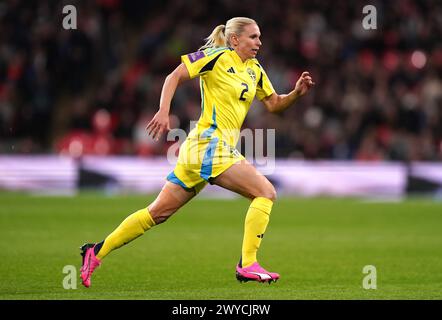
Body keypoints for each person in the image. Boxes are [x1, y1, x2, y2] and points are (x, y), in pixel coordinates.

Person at [80, 17, 314, 287]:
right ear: (235, 39)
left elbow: (274, 104)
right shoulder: (215, 57)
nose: (259, 42)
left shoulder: (254, 69)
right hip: (208, 144)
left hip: (204, 150)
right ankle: (247, 264)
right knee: (266, 192)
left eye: (260, 37)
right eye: (253, 37)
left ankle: (95, 252)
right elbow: (174, 75)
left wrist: (295, 94)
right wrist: (163, 110)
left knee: (157, 213)